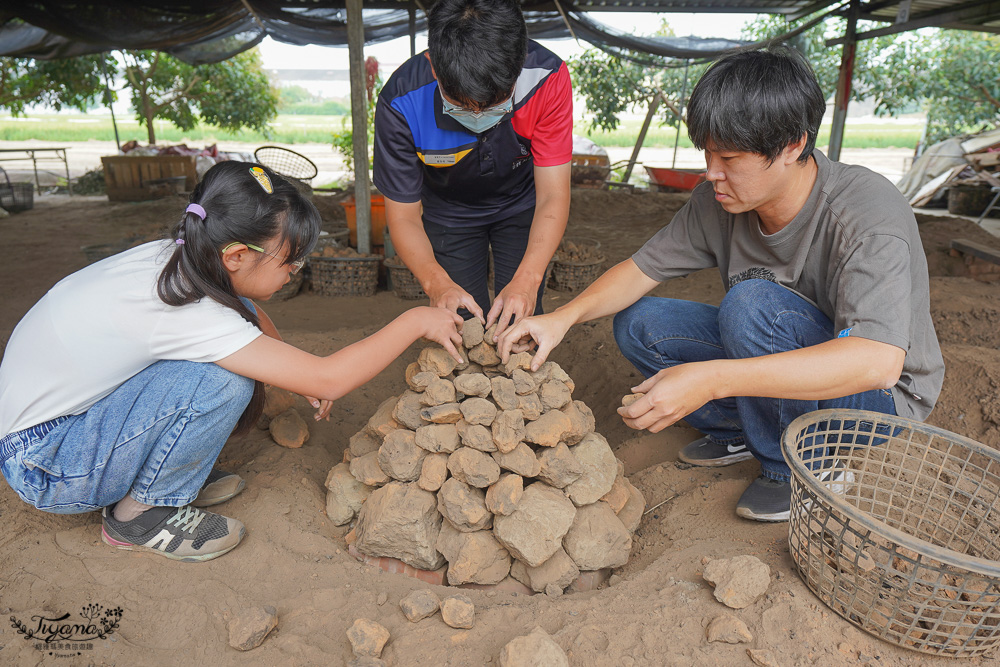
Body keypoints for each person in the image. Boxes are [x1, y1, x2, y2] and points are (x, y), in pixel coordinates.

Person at [498, 47, 944, 522]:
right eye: (708, 153)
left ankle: (794, 470)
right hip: (784, 353)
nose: (712, 172)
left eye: (729, 157)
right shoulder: (718, 200)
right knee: (642, 322)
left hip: (875, 401)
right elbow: (639, 271)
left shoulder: (867, 214)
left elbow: (876, 362)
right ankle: (741, 431)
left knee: (752, 305)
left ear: (793, 146)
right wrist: (560, 318)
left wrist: (712, 379)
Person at [0, 161, 463, 562]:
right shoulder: (186, 310)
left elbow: (248, 313)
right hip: (49, 464)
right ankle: (139, 516)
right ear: (238, 255)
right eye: (290, 264)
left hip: (51, 431)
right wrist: (415, 320)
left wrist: (293, 370)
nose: (292, 275)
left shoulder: (179, 256)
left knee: (225, 368)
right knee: (221, 383)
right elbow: (330, 379)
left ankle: (157, 476)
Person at [373, 0, 572, 337]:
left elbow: (554, 194)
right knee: (463, 321)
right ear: (435, 68)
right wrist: (437, 285)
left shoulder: (546, 78)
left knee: (521, 318)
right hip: (449, 213)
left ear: (519, 63)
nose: (479, 117)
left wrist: (528, 280)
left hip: (524, 205)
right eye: (462, 106)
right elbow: (403, 217)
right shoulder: (401, 101)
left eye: (495, 104)